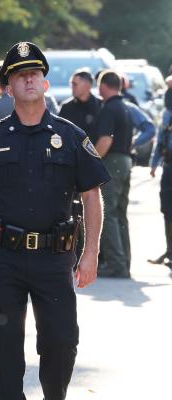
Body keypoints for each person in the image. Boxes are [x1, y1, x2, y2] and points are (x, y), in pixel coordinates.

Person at [0, 42, 109, 400]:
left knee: (61, 342)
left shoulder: (70, 137)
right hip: (3, 257)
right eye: (18, 74)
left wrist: (90, 252)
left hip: (54, 258)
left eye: (34, 73)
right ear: (6, 87)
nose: (27, 79)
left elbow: (92, 196)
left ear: (44, 81)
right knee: (5, 348)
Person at [93, 70, 134, 278]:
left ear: (103, 86)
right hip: (126, 160)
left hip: (112, 161)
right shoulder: (125, 107)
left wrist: (92, 161)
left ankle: (116, 264)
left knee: (107, 213)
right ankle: (124, 261)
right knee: (120, 214)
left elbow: (105, 140)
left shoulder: (108, 109)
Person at [148, 108, 172, 268]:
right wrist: (154, 164)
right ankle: (170, 251)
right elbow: (161, 143)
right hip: (169, 169)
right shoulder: (167, 115)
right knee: (167, 211)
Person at [59, 70, 100, 136]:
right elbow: (59, 131)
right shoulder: (66, 107)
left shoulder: (101, 105)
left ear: (87, 85)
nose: (72, 87)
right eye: (71, 84)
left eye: (75, 84)